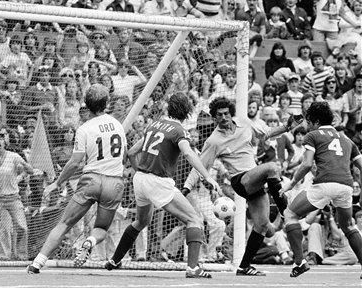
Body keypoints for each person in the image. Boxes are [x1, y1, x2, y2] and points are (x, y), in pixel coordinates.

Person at [104, 93, 220, 279]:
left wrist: (141, 172)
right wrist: (207, 177)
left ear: (169, 108)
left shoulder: (154, 125)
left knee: (141, 222)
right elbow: (189, 154)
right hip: (158, 181)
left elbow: (132, 151)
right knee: (194, 220)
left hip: (140, 179)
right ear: (188, 112)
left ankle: (114, 260)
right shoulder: (179, 131)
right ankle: (193, 268)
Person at [184, 97, 302, 276]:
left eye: (226, 114)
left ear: (231, 113)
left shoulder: (244, 124)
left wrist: (287, 127)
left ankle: (244, 266)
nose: (223, 118)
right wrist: (186, 187)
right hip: (240, 180)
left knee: (265, 228)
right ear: (214, 118)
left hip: (256, 178)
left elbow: (266, 134)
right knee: (272, 167)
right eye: (219, 115)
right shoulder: (214, 141)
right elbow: (200, 166)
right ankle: (286, 212)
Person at [27, 84, 127, 274]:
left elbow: (74, 163)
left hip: (91, 181)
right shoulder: (118, 125)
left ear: (86, 105)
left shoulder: (84, 129)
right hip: (114, 182)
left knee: (64, 224)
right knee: (102, 228)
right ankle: (90, 241)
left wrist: (57, 183)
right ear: (106, 104)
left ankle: (37, 263)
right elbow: (123, 156)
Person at [279, 101, 362, 279]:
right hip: (346, 186)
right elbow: (361, 165)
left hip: (324, 184)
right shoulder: (346, 139)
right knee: (348, 226)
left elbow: (307, 164)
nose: (307, 125)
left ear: (315, 121)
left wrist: (292, 183)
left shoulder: (313, 135)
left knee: (290, 214)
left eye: (308, 121)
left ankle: (299, 262)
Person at [0, 130, 34, 261]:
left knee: (22, 227)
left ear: (5, 142)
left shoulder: (14, 156)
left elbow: (30, 171)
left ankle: (22, 255)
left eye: (0, 139)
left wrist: (24, 169)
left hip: (13, 198)